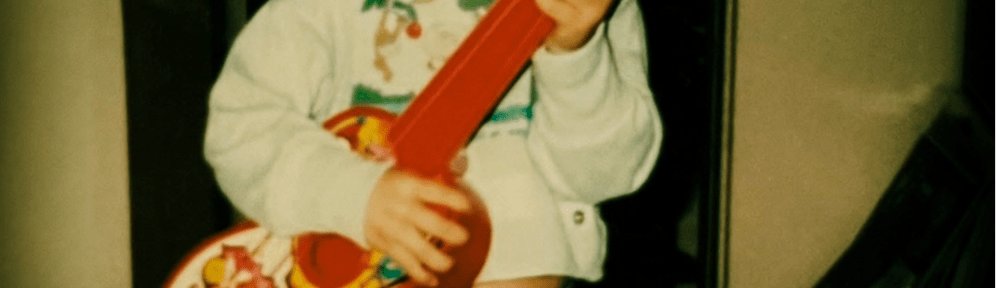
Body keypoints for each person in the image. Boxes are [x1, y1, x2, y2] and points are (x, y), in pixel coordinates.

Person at [203, 0, 662, 287]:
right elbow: (241, 129)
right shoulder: (315, 10)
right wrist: (353, 195)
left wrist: (576, 56)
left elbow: (607, 174)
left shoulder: (588, 8)